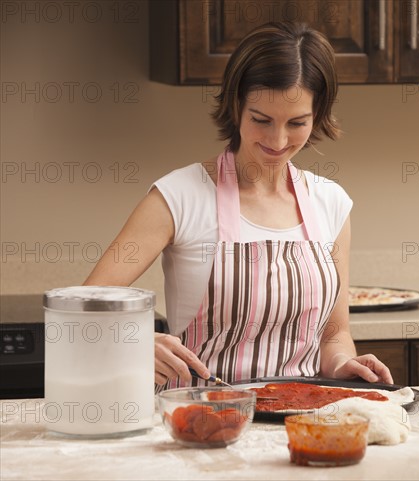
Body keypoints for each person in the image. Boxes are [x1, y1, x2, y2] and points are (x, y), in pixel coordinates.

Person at [84, 22, 393, 388]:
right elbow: (83, 308)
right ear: (236, 106)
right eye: (261, 120)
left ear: (318, 114)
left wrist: (342, 363)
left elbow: (333, 335)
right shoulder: (179, 197)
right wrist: (134, 342)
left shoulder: (331, 204)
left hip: (299, 423)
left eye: (297, 123)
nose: (278, 140)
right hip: (199, 422)